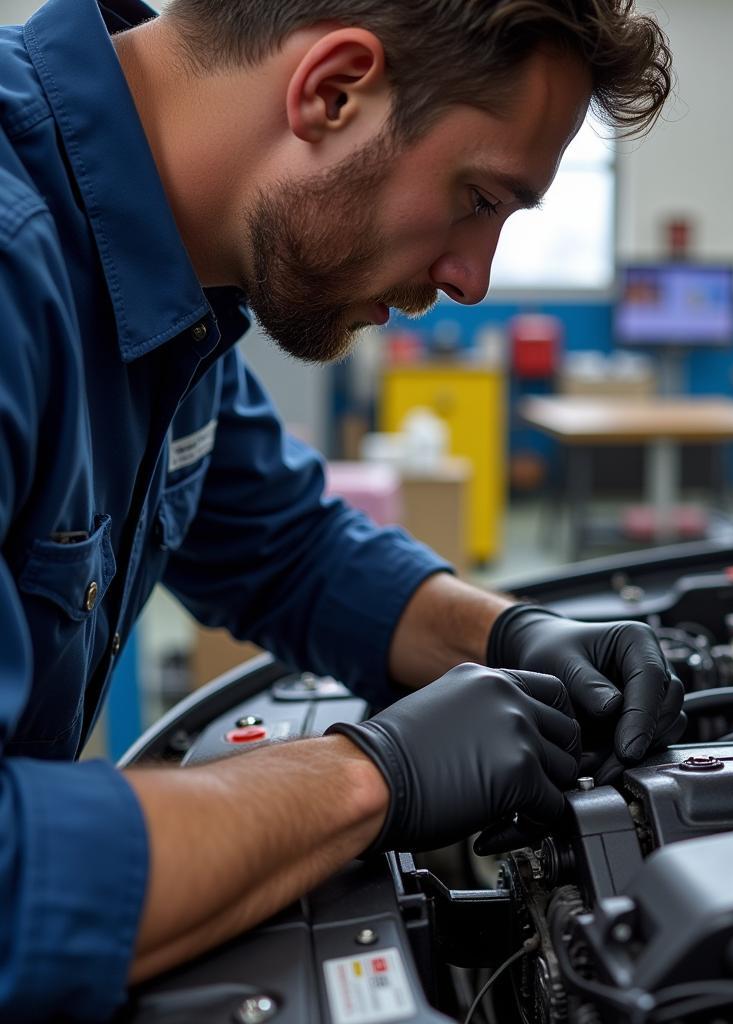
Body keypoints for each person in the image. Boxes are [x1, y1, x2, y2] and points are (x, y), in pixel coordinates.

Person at [0, 0, 683, 1017]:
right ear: (333, 92)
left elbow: (287, 546)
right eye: (477, 198)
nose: (471, 277)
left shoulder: (167, 266)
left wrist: (509, 633)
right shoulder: (17, 266)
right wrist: (370, 775)